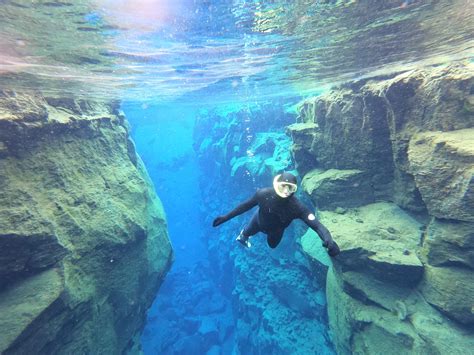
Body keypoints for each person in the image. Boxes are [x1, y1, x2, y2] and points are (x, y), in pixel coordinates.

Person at [212, 172, 340, 257]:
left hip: (275, 230)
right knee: (246, 234)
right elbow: (245, 206)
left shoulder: (298, 208)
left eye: (290, 188)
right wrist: (225, 217)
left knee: (272, 246)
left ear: (294, 191)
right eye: (283, 186)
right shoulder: (263, 194)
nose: (285, 191)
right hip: (258, 221)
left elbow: (316, 225)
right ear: (276, 184)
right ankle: (244, 235)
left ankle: (247, 234)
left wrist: (328, 239)